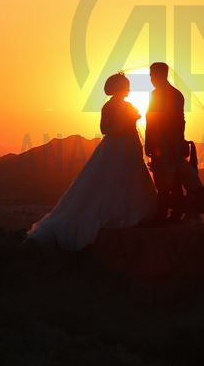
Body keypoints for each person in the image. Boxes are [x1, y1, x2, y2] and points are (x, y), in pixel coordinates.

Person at [27, 72, 157, 251]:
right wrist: (126, 123)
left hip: (129, 146)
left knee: (131, 177)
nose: (128, 88)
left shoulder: (127, 105)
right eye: (126, 85)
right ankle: (119, 215)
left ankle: (135, 213)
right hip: (117, 148)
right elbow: (105, 129)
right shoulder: (109, 107)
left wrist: (131, 120)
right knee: (112, 178)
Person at [144, 62, 204, 222]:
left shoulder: (158, 95)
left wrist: (151, 143)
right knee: (174, 179)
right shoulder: (176, 94)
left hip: (164, 144)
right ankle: (175, 213)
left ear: (160, 75)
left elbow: (153, 121)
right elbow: (180, 122)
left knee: (164, 181)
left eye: (152, 75)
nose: (151, 78)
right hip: (173, 143)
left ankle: (163, 214)